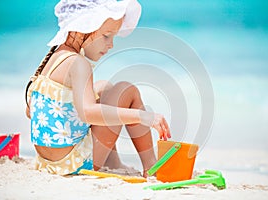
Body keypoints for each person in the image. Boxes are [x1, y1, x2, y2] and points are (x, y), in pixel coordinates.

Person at [25, 0, 171, 177]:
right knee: (127, 90)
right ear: (82, 28)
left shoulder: (54, 58)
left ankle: (112, 160)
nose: (111, 45)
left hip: (48, 160)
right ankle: (152, 167)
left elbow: (30, 111)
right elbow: (88, 113)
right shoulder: (78, 63)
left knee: (103, 87)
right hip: (73, 162)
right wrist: (144, 116)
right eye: (107, 36)